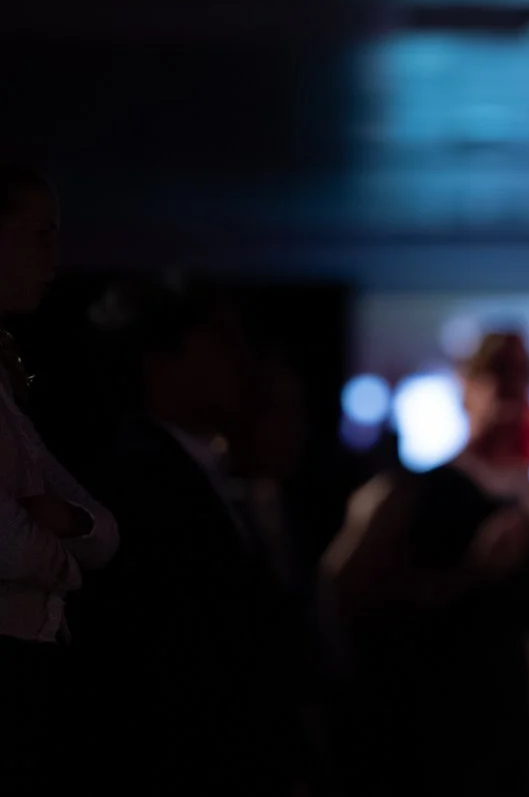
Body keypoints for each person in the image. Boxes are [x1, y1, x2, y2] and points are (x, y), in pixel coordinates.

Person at [81, 273, 313, 794]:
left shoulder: (208, 474)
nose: (241, 362)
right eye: (222, 342)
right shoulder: (138, 481)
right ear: (161, 359)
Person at [321, 328, 529, 797]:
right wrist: (472, 573)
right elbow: (356, 599)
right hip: (445, 728)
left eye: (521, 374)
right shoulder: (418, 494)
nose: (510, 389)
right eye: (496, 371)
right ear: (464, 383)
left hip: (526, 724)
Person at [0, 163, 118, 789]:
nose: (55, 258)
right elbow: (10, 542)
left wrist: (70, 522)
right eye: (39, 235)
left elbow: (101, 528)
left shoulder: (6, 384)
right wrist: (72, 553)